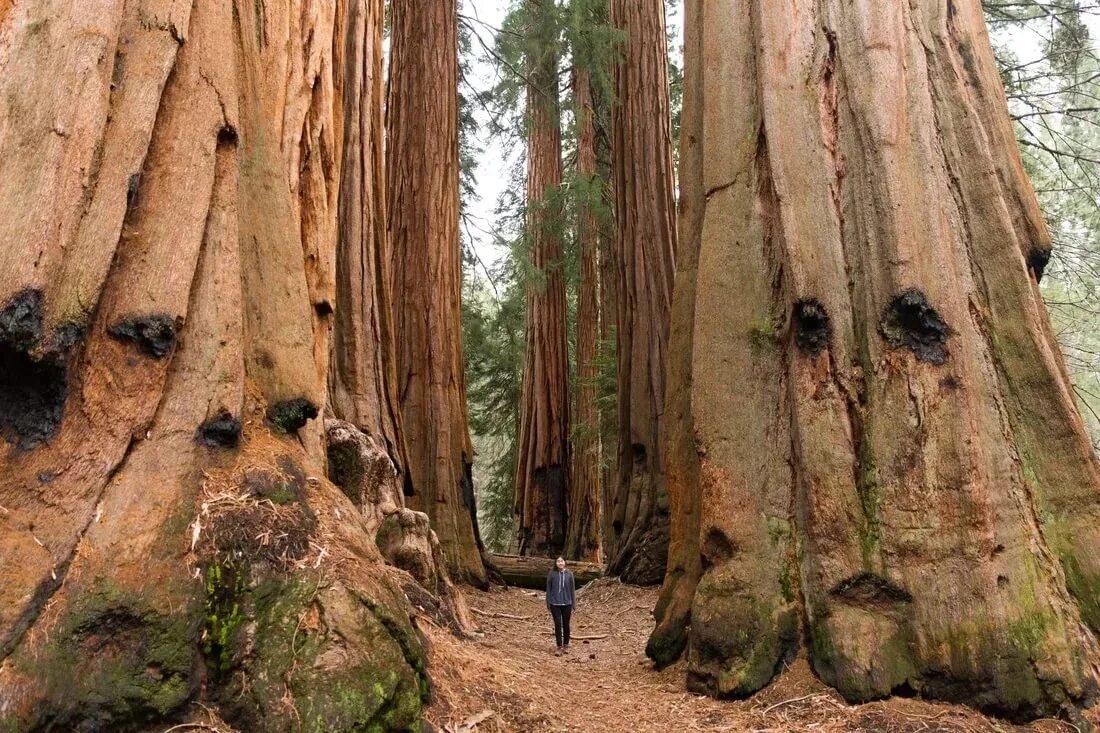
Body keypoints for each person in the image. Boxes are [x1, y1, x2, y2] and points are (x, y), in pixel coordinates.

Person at [545, 556, 576, 655]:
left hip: (567, 603)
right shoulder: (552, 574)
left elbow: (572, 589)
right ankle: (559, 646)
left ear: (565, 562)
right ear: (555, 563)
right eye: (558, 561)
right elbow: (548, 589)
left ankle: (566, 645)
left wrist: (573, 603)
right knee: (558, 624)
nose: (560, 563)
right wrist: (548, 602)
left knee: (566, 624)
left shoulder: (569, 574)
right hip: (555, 603)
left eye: (562, 561)